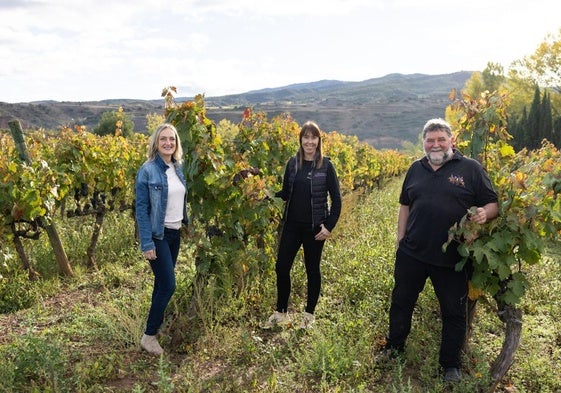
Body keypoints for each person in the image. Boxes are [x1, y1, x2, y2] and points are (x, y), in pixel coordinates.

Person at [380, 118, 498, 382]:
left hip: (452, 258)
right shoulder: (415, 169)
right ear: (423, 143)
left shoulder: (470, 169)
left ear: (451, 141)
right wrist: (400, 240)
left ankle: (450, 365)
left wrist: (484, 213)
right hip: (412, 254)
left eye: (440, 139)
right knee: (401, 303)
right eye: (430, 140)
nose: (435, 145)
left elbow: (493, 204)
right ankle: (394, 348)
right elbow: (404, 205)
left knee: (453, 312)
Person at [263, 121, 342, 330]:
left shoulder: (326, 165)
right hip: (292, 226)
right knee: (281, 267)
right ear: (301, 140)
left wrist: (329, 226)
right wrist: (268, 195)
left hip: (315, 228)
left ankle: (308, 316)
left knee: (312, 270)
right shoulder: (292, 164)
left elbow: (337, 199)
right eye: (305, 137)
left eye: (313, 137)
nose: (309, 141)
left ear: (318, 140)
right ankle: (281, 313)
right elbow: (286, 193)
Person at [135, 123, 189, 355]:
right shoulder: (147, 171)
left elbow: (179, 200)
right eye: (163, 139)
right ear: (156, 143)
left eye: (172, 139)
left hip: (174, 234)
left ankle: (154, 328)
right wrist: (146, 243)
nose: (168, 143)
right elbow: (142, 209)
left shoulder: (178, 168)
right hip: (158, 235)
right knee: (168, 285)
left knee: (161, 284)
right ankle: (149, 336)